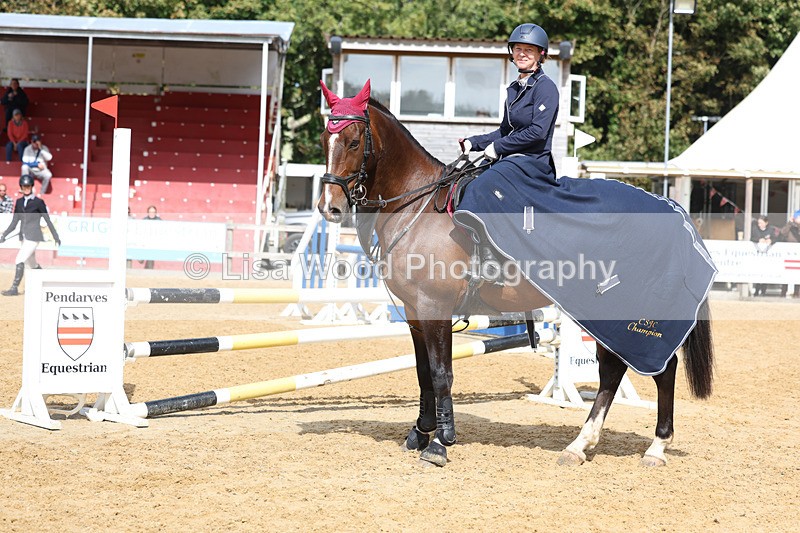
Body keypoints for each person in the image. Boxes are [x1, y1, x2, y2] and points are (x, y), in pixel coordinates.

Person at [453, 23, 560, 275]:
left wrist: (497, 148)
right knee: (464, 177)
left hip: (533, 161)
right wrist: (474, 142)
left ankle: (491, 259)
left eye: (529, 50)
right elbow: (505, 130)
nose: (522, 54)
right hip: (512, 157)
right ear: (511, 53)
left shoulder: (546, 88)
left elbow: (537, 132)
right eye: (518, 49)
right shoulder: (513, 89)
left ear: (541, 54)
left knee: (483, 185)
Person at [0, 174, 61, 296]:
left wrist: (55, 236)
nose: (26, 188)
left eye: (28, 186)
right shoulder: (19, 202)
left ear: (32, 186)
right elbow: (14, 222)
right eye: (24, 186)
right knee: (32, 263)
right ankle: (46, 282)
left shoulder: (38, 202)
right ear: (21, 187)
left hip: (34, 237)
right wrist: (4, 235)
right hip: (23, 237)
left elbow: (47, 220)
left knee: (19, 259)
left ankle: (14, 288)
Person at [750, 215, 779, 296]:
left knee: (766, 272)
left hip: (768, 256)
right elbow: (751, 238)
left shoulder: (771, 230)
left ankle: (763, 291)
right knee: (758, 272)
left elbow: (776, 239)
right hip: (757, 256)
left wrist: (771, 240)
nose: (759, 224)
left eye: (761, 223)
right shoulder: (755, 229)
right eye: (759, 223)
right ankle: (756, 291)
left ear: (766, 223)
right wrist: (759, 240)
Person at [779, 209, 800, 298]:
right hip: (790, 254)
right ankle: (783, 292)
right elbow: (783, 232)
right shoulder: (790, 227)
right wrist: (790, 222)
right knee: (786, 273)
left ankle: (796, 293)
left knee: (798, 274)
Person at [141, 205, 161, 269]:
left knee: (150, 258)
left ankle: (148, 271)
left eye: (153, 212)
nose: (152, 213)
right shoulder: (144, 220)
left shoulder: (159, 221)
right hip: (145, 241)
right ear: (148, 212)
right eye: (150, 212)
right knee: (141, 259)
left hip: (153, 242)